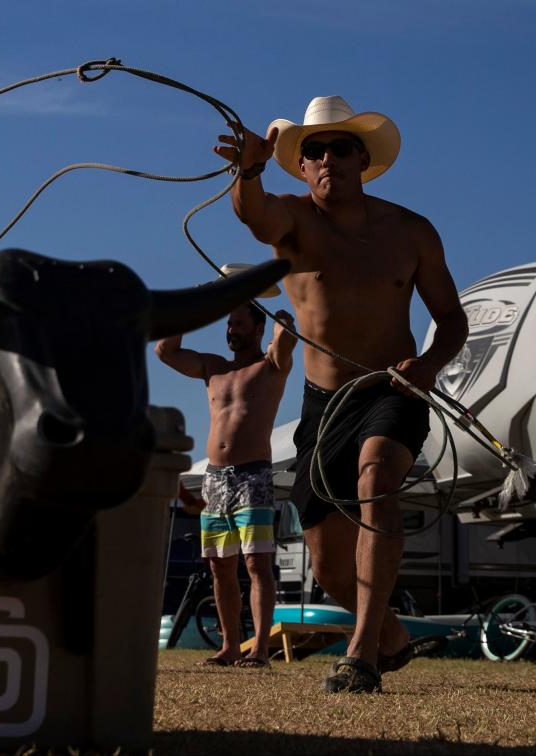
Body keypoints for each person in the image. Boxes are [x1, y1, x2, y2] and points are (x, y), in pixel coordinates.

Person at [215, 96, 468, 692]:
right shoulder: (292, 220)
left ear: (363, 158)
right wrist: (247, 169)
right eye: (314, 151)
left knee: (376, 476)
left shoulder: (412, 231)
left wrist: (429, 365)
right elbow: (253, 216)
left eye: (340, 148)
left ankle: (361, 657)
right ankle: (392, 636)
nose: (328, 159)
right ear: (302, 168)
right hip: (323, 404)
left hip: (393, 388)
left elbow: (451, 319)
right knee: (328, 565)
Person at [156, 300, 297, 667]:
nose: (231, 330)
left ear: (256, 328)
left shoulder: (269, 367)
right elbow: (164, 351)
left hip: (253, 475)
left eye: (238, 324)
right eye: (228, 323)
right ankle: (230, 646)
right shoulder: (212, 368)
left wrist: (279, 311)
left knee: (256, 563)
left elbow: (286, 336)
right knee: (219, 565)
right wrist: (194, 307)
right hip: (214, 479)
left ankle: (261, 649)